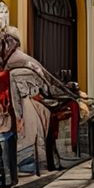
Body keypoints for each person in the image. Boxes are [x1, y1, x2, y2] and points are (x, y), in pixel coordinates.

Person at [1, 28, 65, 176]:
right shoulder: (16, 61)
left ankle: (27, 165)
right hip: (34, 101)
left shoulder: (15, 64)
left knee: (29, 127)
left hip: (30, 104)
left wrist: (18, 116)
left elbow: (26, 93)